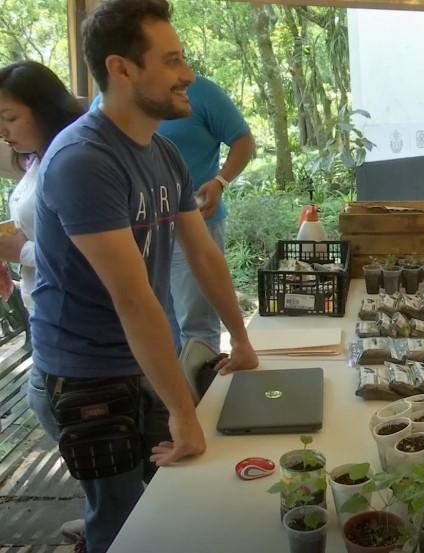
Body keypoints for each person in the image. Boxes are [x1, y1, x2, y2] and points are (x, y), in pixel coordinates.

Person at [27, 1, 258, 552]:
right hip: (84, 377)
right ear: (122, 69)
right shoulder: (84, 160)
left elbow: (203, 256)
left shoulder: (163, 153)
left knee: (170, 503)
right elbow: (133, 300)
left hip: (143, 364)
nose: (189, 74)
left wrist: (243, 340)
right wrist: (183, 412)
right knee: (126, 526)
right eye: (172, 59)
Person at [91, 75, 255, 353]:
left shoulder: (201, 92)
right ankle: (173, 393)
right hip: (139, 233)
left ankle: (203, 390)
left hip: (197, 222)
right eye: (170, 60)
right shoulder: (103, 106)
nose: (183, 71)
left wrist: (220, 181)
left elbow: (243, 140)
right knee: (157, 319)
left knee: (196, 322)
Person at [0, 61, 84, 312]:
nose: (2, 130)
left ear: (45, 110)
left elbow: (89, 257)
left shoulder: (74, 165)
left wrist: (22, 251)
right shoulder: (37, 160)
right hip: (45, 310)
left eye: (10, 118)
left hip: (73, 317)